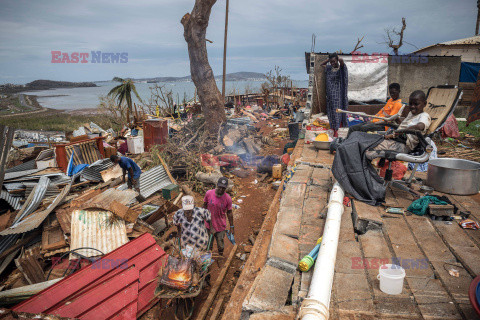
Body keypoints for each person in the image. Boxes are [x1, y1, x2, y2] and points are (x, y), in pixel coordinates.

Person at [366, 90, 431, 160]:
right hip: (397, 139)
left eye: (416, 104)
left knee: (369, 150)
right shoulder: (411, 114)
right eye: (410, 104)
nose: (412, 106)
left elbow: (420, 126)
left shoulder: (424, 116)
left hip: (403, 145)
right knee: (370, 141)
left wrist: (404, 130)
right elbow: (404, 124)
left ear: (424, 104)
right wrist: (397, 120)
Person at [203, 177, 233, 256]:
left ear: (226, 188)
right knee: (209, 245)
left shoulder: (228, 198)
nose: (221, 189)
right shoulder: (209, 193)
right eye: (220, 187)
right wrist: (203, 219)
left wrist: (232, 226)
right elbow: (204, 206)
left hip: (220, 226)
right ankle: (207, 260)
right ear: (217, 185)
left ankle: (220, 256)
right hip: (209, 225)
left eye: (223, 188)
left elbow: (229, 212)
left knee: (220, 245)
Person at [321, 52, 348, 137]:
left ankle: (337, 130)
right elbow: (321, 64)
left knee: (337, 113)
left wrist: (339, 59)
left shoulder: (341, 69)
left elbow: (342, 62)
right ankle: (333, 128)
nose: (333, 63)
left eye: (334, 61)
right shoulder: (329, 68)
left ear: (337, 60)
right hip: (329, 95)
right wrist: (329, 59)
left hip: (337, 96)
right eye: (331, 62)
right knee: (330, 113)